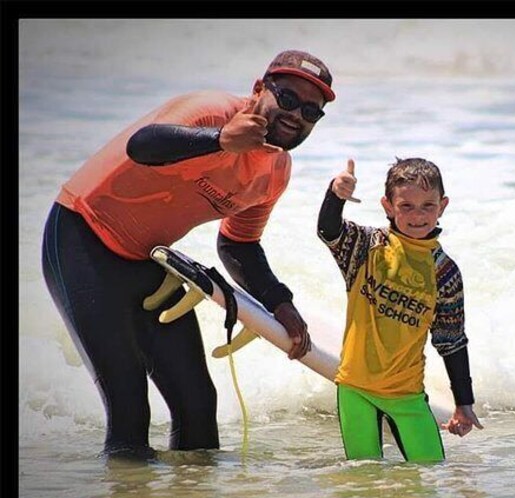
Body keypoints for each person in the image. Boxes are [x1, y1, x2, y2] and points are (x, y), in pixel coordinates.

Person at [41, 50, 336, 459]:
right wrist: (219, 141)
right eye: (286, 99)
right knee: (129, 403)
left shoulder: (275, 172)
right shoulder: (211, 111)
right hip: (81, 236)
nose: (295, 114)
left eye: (310, 111)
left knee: (198, 404)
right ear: (258, 90)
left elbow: (238, 246)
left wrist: (280, 304)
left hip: (150, 260)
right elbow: (142, 145)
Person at [317, 157, 483, 463]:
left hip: (406, 396)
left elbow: (452, 341)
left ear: (442, 206)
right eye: (406, 206)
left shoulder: (444, 272)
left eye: (427, 206)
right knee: (363, 477)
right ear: (388, 205)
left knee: (431, 474)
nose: (417, 216)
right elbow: (329, 231)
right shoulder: (365, 246)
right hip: (355, 389)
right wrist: (335, 195)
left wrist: (464, 403)